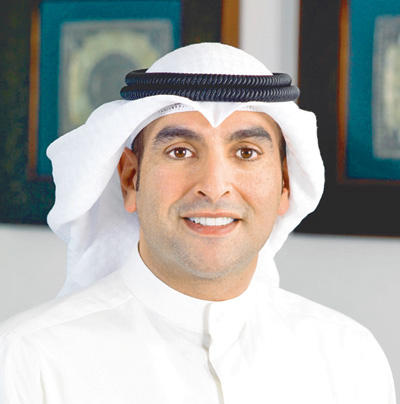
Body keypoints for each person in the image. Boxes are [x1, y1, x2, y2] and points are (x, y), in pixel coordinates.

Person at [0, 43, 396, 403]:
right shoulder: (30, 361)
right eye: (180, 151)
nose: (214, 186)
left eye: (246, 152)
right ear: (131, 179)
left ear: (285, 184)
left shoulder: (348, 357)